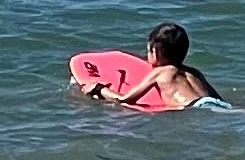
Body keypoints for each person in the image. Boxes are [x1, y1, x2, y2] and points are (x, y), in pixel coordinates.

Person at [70, 23, 213, 112]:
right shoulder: (194, 73)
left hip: (193, 108)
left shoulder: (159, 72)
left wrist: (99, 89)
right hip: (214, 104)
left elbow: (124, 99)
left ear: (155, 53)